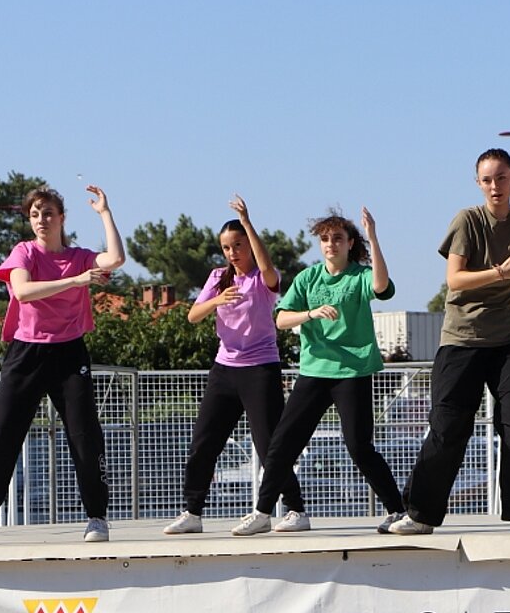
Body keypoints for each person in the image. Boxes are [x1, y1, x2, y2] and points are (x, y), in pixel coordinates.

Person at [389, 146, 510, 535]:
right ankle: (420, 514)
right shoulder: (467, 220)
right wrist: (502, 272)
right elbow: (455, 279)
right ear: (478, 183)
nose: (495, 186)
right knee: (448, 427)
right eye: (487, 180)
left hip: (509, 340)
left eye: (501, 177)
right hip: (462, 338)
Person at [0, 185, 124, 545]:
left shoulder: (79, 255)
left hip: (69, 355)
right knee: (3, 433)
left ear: (61, 218)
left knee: (84, 435)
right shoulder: (24, 252)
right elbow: (23, 292)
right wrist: (77, 281)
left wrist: (105, 214)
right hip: (27, 353)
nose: (40, 220)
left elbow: (114, 259)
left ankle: (97, 518)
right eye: (34, 214)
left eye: (47, 213)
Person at [230, 207, 405, 535]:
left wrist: (374, 237)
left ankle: (397, 510)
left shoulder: (358, 275)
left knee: (359, 446)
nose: (330, 245)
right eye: (325, 239)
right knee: (282, 443)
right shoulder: (308, 278)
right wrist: (310, 314)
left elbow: (380, 286)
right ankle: (265, 512)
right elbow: (280, 319)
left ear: (350, 243)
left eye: (337, 239)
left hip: (352, 372)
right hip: (314, 372)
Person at [163, 195, 306, 534]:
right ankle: (193, 513)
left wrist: (247, 223)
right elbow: (193, 315)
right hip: (224, 369)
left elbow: (267, 266)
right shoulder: (218, 277)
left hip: (260, 369)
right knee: (203, 442)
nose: (232, 252)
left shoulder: (263, 279)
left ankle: (295, 510)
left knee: (270, 444)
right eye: (226, 247)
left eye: (238, 245)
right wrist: (216, 298)